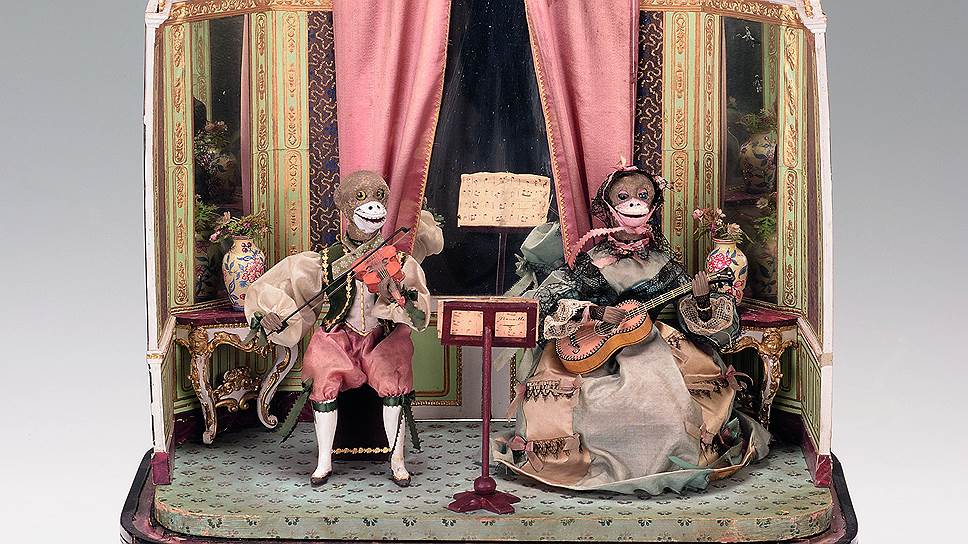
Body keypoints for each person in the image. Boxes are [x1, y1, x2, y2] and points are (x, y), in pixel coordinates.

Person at [494, 165, 770, 495]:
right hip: (594, 344)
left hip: (650, 344)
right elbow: (554, 300)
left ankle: (662, 460)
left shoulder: (664, 263)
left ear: (653, 206)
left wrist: (700, 301)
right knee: (587, 401)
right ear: (608, 206)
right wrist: (594, 310)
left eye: (642, 196)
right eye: (623, 197)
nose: (633, 204)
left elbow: (690, 318)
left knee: (665, 404)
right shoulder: (590, 259)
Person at [245, 170, 440, 487]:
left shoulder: (399, 261)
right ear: (343, 205)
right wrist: (272, 314)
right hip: (339, 334)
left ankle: (397, 460)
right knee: (323, 370)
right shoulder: (324, 261)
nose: (373, 205)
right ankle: (324, 461)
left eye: (379, 197)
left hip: (382, 336)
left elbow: (418, 312)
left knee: (393, 376)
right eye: (361, 197)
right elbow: (282, 286)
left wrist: (397, 295)